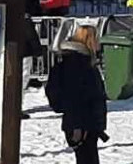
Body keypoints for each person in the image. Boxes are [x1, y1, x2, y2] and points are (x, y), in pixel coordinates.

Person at [46, 24, 107, 164]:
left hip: (87, 123)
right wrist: (77, 125)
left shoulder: (82, 62)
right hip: (81, 124)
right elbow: (74, 98)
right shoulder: (77, 65)